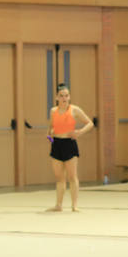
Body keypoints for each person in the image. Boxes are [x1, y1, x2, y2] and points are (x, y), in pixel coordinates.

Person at [46, 84, 94, 212]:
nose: (64, 99)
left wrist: (80, 132)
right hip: (56, 143)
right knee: (59, 177)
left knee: (72, 176)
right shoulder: (53, 111)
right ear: (57, 97)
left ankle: (74, 205)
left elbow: (90, 123)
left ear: (69, 97)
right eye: (61, 96)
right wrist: (50, 137)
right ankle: (59, 205)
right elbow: (50, 128)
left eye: (66, 96)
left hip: (69, 144)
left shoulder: (74, 110)